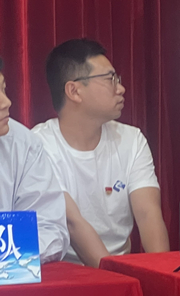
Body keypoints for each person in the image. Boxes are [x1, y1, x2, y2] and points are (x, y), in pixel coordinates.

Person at [33, 39, 169, 267]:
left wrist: (161, 274)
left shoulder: (131, 139)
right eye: (110, 79)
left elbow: (148, 214)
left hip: (122, 269)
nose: (120, 88)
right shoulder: (39, 145)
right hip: (66, 272)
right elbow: (73, 224)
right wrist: (117, 281)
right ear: (74, 91)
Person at [0, 57, 68, 263]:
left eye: (3, 89)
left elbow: (49, 227)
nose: (6, 102)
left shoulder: (22, 143)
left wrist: (9, 254)